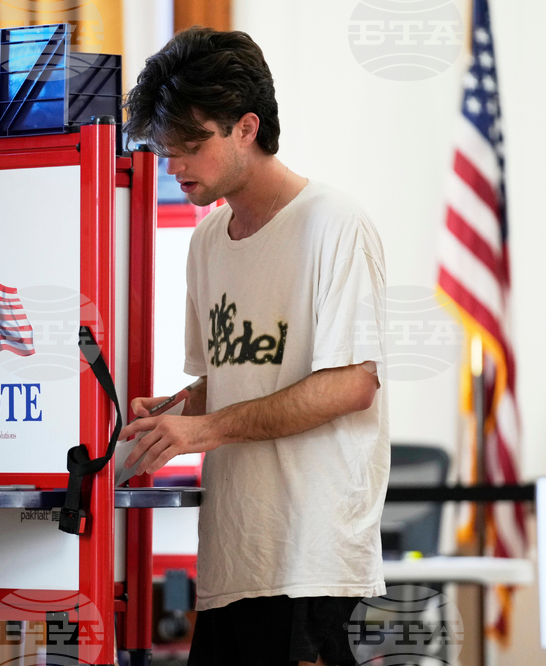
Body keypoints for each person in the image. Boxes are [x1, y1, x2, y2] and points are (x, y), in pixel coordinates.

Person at [120, 28, 390, 666]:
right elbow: (228, 378)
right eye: (166, 149)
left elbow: (353, 383)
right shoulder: (208, 240)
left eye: (189, 146)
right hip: (233, 556)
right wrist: (176, 413)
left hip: (309, 560)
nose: (174, 165)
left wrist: (204, 427)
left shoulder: (334, 224)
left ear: (246, 126)